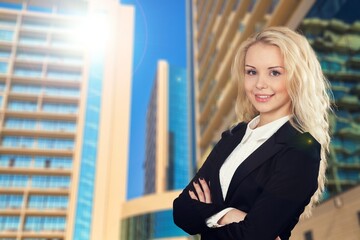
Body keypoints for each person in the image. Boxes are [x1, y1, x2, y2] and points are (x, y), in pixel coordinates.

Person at [173, 26, 332, 240]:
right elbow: (181, 210)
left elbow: (252, 235)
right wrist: (227, 214)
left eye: (274, 72)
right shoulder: (234, 136)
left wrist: (208, 216)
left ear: (297, 78)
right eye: (251, 72)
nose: (259, 84)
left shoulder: (301, 149)